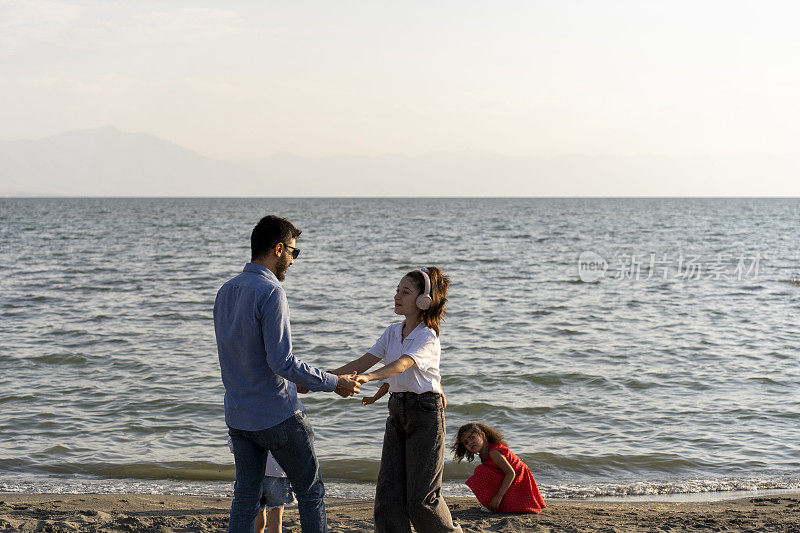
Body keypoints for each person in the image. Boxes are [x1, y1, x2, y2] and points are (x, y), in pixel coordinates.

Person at [214, 215, 363, 533]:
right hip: (276, 415)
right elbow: (281, 361)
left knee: (245, 500)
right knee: (312, 494)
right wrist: (334, 383)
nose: (294, 260)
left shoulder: (226, 291)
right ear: (278, 249)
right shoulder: (271, 292)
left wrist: (300, 377)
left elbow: (243, 355)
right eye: (294, 251)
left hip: (238, 416)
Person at [333, 267, 462, 533]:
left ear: (423, 300)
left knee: (421, 500)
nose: (397, 296)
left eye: (405, 292)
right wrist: (322, 378)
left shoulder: (428, 335)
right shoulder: (392, 331)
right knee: (388, 497)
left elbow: (402, 365)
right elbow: (363, 360)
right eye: (397, 290)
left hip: (425, 414)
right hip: (398, 411)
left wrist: (368, 378)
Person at [451, 423, 546, 514]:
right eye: (466, 442)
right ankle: (493, 503)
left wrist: (498, 496)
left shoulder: (493, 452)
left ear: (483, 436)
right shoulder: (484, 452)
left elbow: (511, 473)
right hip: (510, 478)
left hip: (518, 478)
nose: (470, 443)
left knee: (480, 471)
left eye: (472, 437)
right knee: (483, 471)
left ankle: (496, 504)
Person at [228, 436, 293, 533]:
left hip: (252, 475)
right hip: (277, 476)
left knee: (257, 515)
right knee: (276, 518)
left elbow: (233, 444)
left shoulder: (245, 423)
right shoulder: (280, 424)